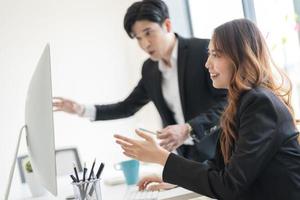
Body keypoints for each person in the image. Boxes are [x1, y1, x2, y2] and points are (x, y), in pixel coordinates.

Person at [114, 18, 300, 200]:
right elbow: (219, 165)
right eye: (209, 53)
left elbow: (228, 186)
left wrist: (162, 157)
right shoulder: (241, 102)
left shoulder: (260, 103)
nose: (207, 63)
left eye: (216, 55)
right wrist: (174, 179)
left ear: (241, 57)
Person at [53, 0, 227, 162]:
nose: (144, 44)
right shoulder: (150, 69)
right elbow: (127, 107)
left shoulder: (202, 51)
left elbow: (229, 101)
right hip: (186, 159)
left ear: (167, 25)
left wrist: (189, 128)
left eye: (148, 33)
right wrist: (81, 110)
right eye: (138, 38)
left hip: (223, 152)